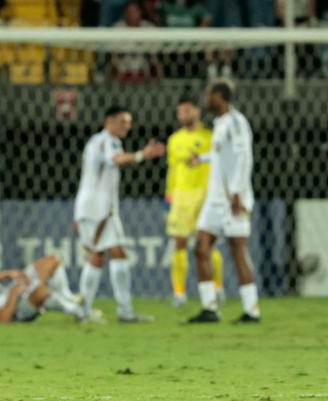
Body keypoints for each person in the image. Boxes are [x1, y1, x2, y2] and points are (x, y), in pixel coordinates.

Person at [74, 105, 165, 323]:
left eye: (129, 122)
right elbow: (116, 159)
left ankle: (84, 310)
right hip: (98, 209)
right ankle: (121, 311)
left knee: (97, 256)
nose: (128, 126)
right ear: (109, 121)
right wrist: (143, 154)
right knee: (115, 254)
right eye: (123, 122)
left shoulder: (101, 141)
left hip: (92, 208)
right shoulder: (106, 141)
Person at [188, 79, 260, 324]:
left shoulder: (237, 122)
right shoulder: (220, 124)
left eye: (209, 94)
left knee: (237, 251)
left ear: (219, 96)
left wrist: (238, 192)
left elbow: (244, 158)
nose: (206, 99)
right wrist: (203, 158)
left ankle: (252, 310)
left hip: (233, 198)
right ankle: (210, 308)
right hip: (215, 199)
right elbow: (223, 156)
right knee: (200, 248)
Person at [165, 94, 224, 307]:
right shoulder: (174, 140)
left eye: (187, 110)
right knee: (179, 244)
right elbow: (172, 169)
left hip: (205, 194)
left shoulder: (210, 137)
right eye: (180, 111)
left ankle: (217, 289)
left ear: (197, 112)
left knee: (207, 245)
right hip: (181, 196)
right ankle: (179, 293)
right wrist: (169, 193)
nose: (183, 115)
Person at [0, 241, 85, 323]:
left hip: (12, 291)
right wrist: (14, 293)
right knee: (41, 292)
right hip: (15, 311)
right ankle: (78, 311)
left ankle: (68, 297)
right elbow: (2, 319)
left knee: (53, 260)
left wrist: (7, 274)